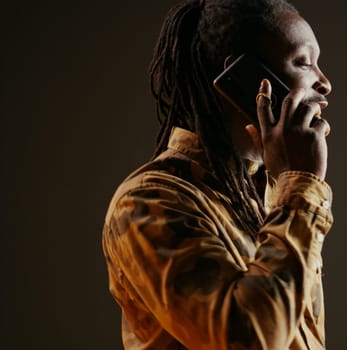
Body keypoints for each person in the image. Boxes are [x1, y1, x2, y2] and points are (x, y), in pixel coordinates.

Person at [101, 0, 333, 348]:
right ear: (245, 78)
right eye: (303, 63)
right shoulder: (148, 202)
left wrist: (292, 189)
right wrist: (300, 187)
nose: (325, 83)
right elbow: (250, 338)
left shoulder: (271, 195)